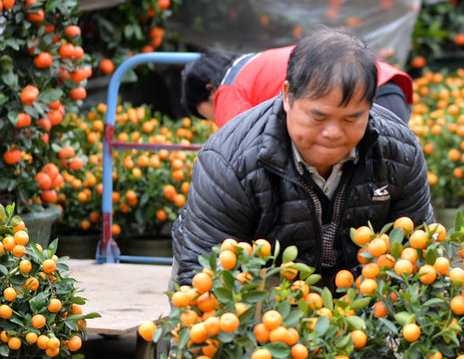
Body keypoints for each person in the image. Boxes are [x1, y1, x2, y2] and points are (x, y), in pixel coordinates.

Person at [171, 28, 433, 286]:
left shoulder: (399, 151)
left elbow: (417, 252)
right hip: (259, 289)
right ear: (287, 96)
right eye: (317, 117)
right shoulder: (230, 160)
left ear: (370, 106)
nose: (333, 133)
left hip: (353, 289)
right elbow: (204, 271)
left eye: (351, 118)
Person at [180, 43, 414, 125]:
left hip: (363, 99)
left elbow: (237, 153)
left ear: (210, 91)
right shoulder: (252, 65)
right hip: (387, 89)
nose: (217, 121)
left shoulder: (229, 88)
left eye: (208, 115)